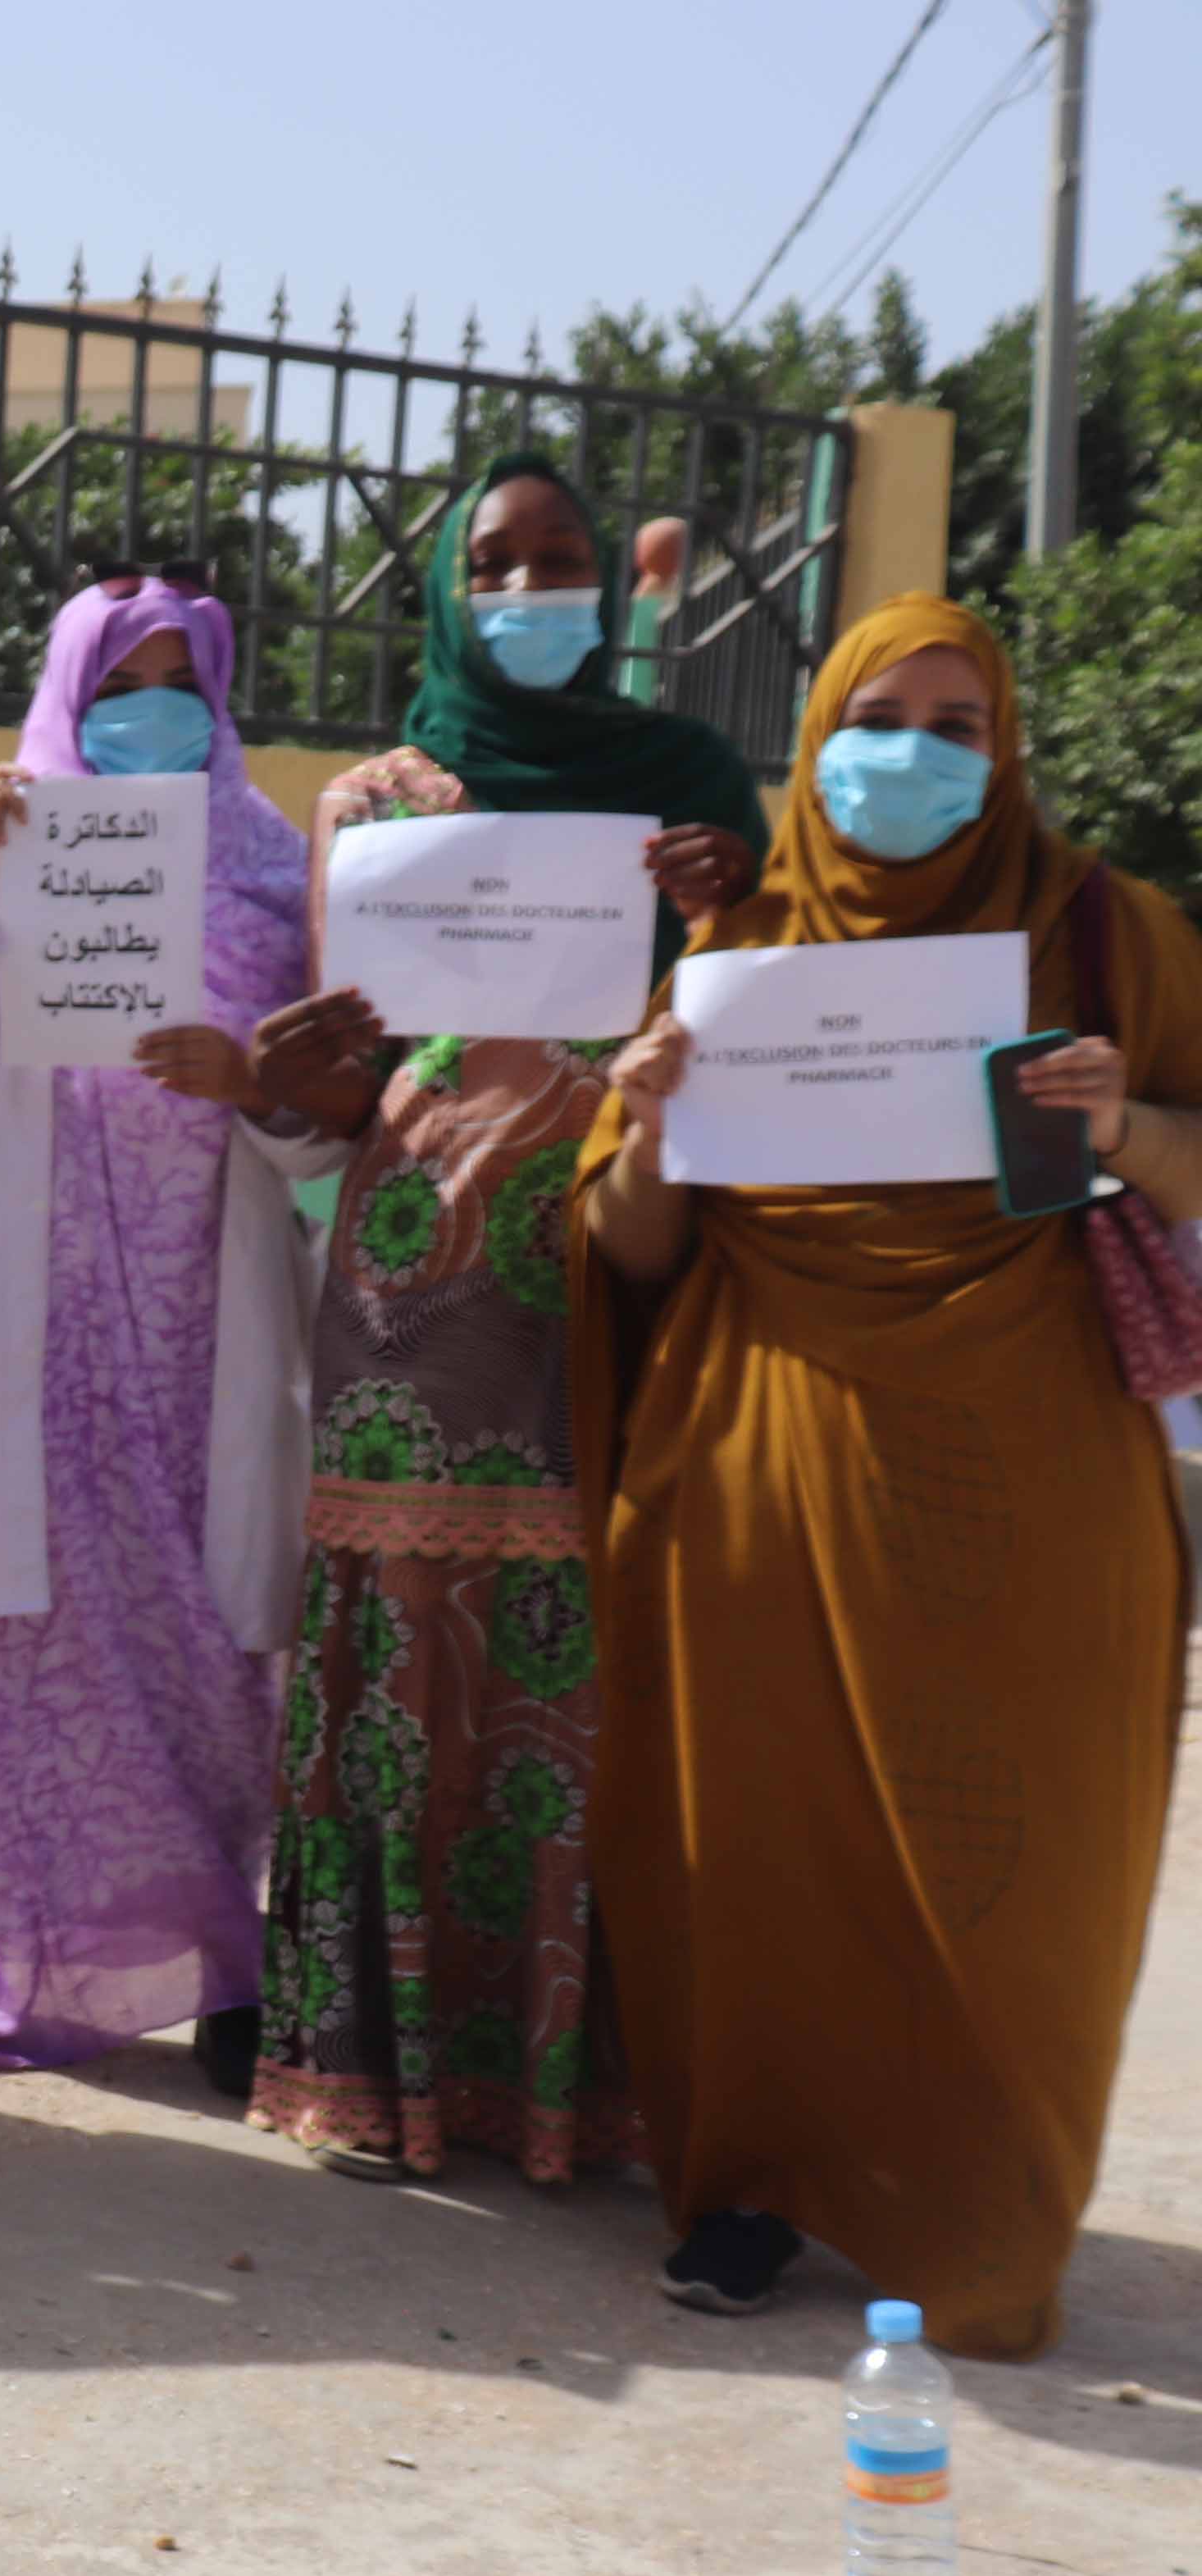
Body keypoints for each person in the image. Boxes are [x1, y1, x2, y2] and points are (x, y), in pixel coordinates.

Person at [578, 594, 1200, 2354]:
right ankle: (752, 2189)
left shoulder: (1105, 931)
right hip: (753, 1457)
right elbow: (631, 1252)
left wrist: (1122, 1125)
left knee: (1015, 1862)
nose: (909, 756)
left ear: (1006, 750)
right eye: (875, 718)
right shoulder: (742, 941)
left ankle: (981, 2211)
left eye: (955, 726)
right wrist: (650, 1125)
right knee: (757, 1849)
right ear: (815, 739)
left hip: (1025, 1472)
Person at [236, 456, 763, 2186]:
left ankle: (563, 2088)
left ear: (607, 581)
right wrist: (292, 1078)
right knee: (391, 1663)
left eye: (560, 558)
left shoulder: (689, 791)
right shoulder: (378, 798)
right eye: (494, 560)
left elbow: (759, 1026)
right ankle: (375, 2076)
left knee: (576, 1673)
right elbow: (351, 1081)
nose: (529, 586)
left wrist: (729, 906)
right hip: (403, 1295)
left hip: (609, 1274)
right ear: (449, 589)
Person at [0, 570, 327, 2078]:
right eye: (120, 689)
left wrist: (255, 1082)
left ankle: (226, 1965)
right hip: (29, 1333)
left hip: (199, 1338)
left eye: (181, 686)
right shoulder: (5, 840)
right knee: (5, 1647)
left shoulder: (276, 870)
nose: (151, 715)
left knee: (206, 1660)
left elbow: (332, 1126)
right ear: (68, 695)